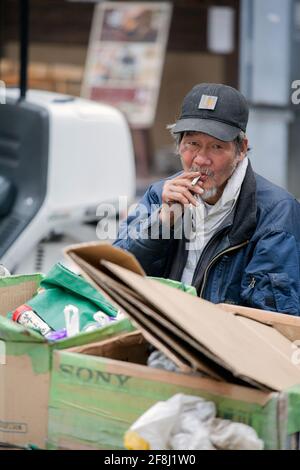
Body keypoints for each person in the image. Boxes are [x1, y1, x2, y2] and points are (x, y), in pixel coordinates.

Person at [114, 83, 300, 315]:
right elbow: (117, 274)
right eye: (192, 144)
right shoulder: (160, 194)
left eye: (216, 146)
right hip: (160, 332)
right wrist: (162, 222)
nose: (201, 159)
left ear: (241, 149)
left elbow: (272, 315)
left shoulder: (276, 212)